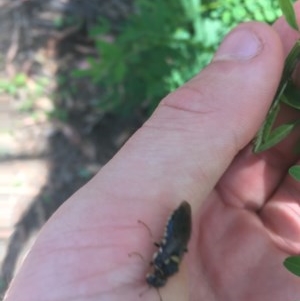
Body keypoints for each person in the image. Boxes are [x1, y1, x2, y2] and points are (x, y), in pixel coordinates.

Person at [4, 5, 300, 301]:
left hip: (182, 233)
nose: (151, 273)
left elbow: (165, 248)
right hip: (181, 234)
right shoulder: (163, 262)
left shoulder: (162, 263)